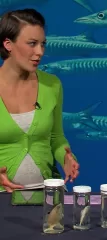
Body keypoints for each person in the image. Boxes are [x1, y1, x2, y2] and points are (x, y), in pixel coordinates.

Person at [0, 8, 79, 193]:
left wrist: (67, 158)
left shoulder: (52, 85)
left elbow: (56, 138)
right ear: (8, 44)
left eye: (43, 44)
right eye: (32, 44)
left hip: (48, 196)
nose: (40, 52)